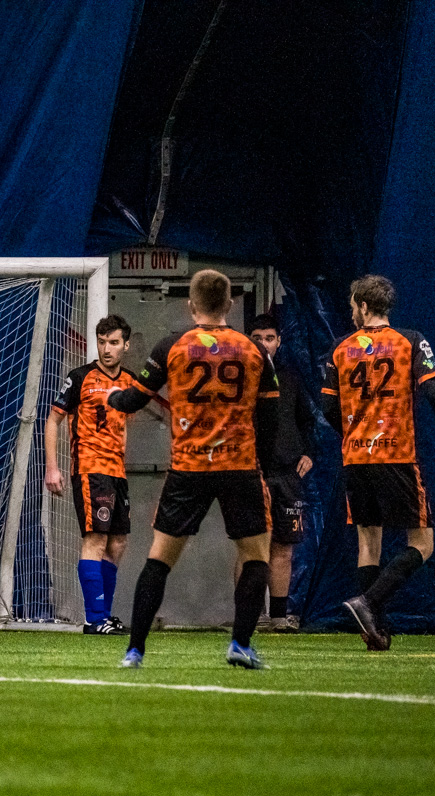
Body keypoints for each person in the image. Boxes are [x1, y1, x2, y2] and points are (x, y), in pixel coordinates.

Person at [107, 269, 280, 669]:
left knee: (159, 559)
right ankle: (240, 643)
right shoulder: (256, 353)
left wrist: (112, 397)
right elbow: (270, 420)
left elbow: (134, 400)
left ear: (191, 305)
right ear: (230, 305)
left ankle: (135, 651)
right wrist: (265, 473)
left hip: (189, 469)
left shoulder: (173, 346)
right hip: (239, 466)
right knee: (256, 558)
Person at [321, 275, 435, 650]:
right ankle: (368, 603)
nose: (352, 312)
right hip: (395, 453)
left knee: (369, 541)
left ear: (364, 307)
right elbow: (434, 391)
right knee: (423, 542)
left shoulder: (339, 348)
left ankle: (374, 633)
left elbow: (329, 408)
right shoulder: (411, 341)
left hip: (355, 457)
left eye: (353, 305)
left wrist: (353, 433)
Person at [45, 314, 141, 635]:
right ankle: (94, 619)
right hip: (89, 468)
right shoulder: (79, 377)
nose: (106, 349)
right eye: (101, 342)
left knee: (118, 543)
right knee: (95, 539)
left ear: (126, 345)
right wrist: (52, 467)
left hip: (117, 473)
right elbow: (53, 420)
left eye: (113, 342)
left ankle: (104, 615)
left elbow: (129, 422)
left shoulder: (130, 381)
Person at [246, 314, 316, 632]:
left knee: (283, 547)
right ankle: (249, 615)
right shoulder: (239, 378)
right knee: (250, 546)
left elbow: (307, 420)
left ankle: (277, 617)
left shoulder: (290, 377)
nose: (263, 344)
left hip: (287, 475)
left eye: (269, 338)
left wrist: (308, 453)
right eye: (257, 337)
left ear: (279, 341)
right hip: (250, 473)